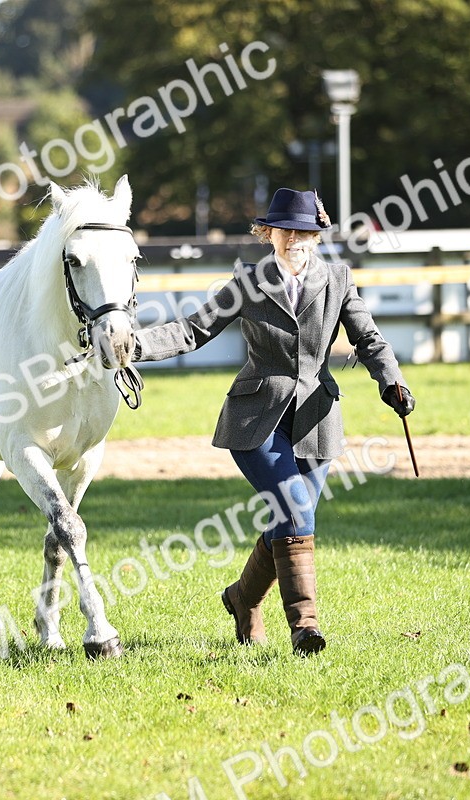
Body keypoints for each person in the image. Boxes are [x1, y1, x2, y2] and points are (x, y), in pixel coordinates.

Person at [131, 188, 415, 655]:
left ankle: (243, 599)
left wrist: (392, 382)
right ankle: (305, 626)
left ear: (317, 236)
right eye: (286, 230)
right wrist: (134, 347)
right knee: (295, 510)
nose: (295, 239)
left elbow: (370, 338)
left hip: (317, 421)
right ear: (268, 233)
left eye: (305, 231)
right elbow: (191, 330)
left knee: (291, 520)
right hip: (255, 417)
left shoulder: (339, 279)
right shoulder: (247, 281)